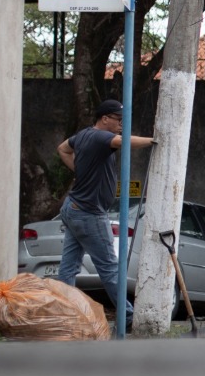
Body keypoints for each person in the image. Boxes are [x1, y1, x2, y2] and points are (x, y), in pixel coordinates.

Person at [56, 99, 156, 327]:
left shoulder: (82, 135)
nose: (122, 125)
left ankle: (63, 315)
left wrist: (79, 170)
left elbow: (62, 148)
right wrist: (154, 140)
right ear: (105, 119)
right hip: (89, 213)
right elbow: (124, 142)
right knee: (110, 268)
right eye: (119, 120)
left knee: (68, 267)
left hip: (73, 208)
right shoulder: (101, 137)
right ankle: (129, 317)